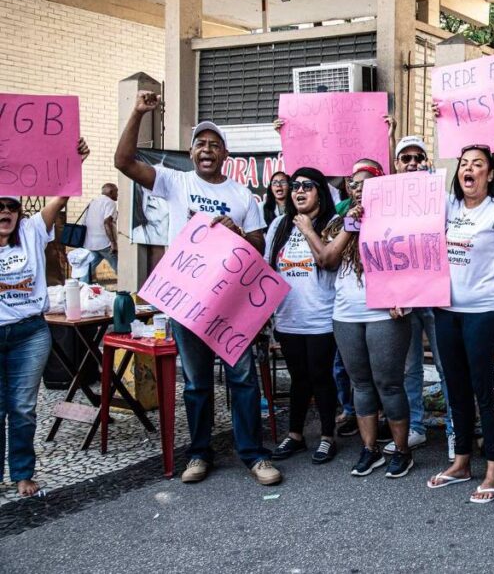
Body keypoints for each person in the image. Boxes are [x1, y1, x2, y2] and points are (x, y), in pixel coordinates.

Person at [115, 91, 280, 486]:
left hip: (231, 306)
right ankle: (199, 454)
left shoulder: (242, 195)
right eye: (200, 144)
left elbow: (259, 246)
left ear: (226, 154)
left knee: (242, 378)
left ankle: (253, 455)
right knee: (196, 382)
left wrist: (238, 232)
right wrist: (138, 112)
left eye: (214, 145)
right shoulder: (175, 182)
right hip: (187, 302)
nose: (207, 150)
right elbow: (123, 162)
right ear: (191, 154)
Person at [426, 145, 494, 503]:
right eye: (464, 163)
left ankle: (493, 470)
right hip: (447, 310)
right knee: (455, 388)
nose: (469, 169)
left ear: (489, 174)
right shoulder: (448, 207)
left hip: (486, 311)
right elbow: (406, 207)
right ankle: (461, 462)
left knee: (488, 390)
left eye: (478, 164)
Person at [0, 138, 90, 496]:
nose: (4, 211)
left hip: (30, 334)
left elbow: (61, 196)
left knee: (22, 407)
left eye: (10, 206)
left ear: (18, 212)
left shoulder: (33, 231)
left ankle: (22, 473)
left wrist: (73, 159)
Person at [318, 160, 416, 478]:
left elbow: (412, 261)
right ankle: (369, 448)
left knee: (388, 383)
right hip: (346, 313)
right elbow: (328, 261)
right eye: (353, 183)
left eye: (365, 183)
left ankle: (402, 451)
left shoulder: (398, 219)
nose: (357, 188)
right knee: (360, 383)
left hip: (385, 312)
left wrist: (404, 297)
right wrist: (349, 225)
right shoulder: (339, 221)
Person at [264, 168, 339, 465]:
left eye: (308, 186)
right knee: (298, 379)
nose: (299, 191)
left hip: (320, 316)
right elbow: (269, 269)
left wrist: (308, 229)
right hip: (288, 317)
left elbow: (330, 264)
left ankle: (327, 436)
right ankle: (295, 434)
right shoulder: (279, 225)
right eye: (295, 186)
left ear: (320, 191)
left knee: (321, 376)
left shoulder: (332, 224)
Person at [385, 134, 437, 455]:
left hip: (435, 294)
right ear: (397, 164)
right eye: (406, 158)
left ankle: (455, 431)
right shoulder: (385, 201)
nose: (413, 163)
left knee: (446, 364)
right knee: (409, 366)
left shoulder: (439, 196)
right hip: (402, 296)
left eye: (419, 157)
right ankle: (416, 426)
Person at [82, 183, 118, 281]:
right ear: (111, 192)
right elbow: (107, 222)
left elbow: (84, 222)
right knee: (121, 268)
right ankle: (127, 290)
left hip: (90, 243)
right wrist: (113, 243)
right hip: (105, 244)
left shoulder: (92, 202)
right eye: (116, 191)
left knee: (87, 270)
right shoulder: (110, 202)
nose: (117, 194)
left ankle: (81, 290)